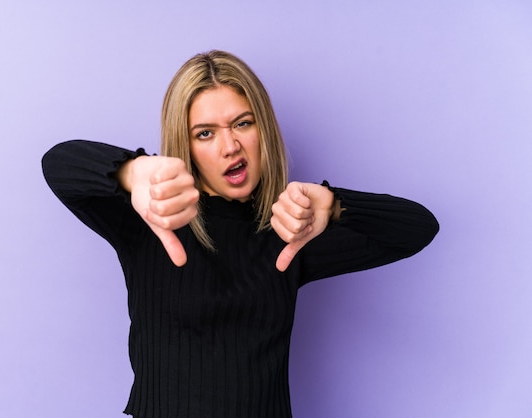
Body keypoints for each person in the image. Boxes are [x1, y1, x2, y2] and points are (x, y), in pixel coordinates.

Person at [42, 50, 439, 418]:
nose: (231, 146)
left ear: (262, 128)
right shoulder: (152, 219)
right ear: (186, 144)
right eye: (205, 133)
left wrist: (336, 206)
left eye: (243, 123)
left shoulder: (289, 231)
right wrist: (131, 171)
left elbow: (417, 228)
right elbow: (58, 164)